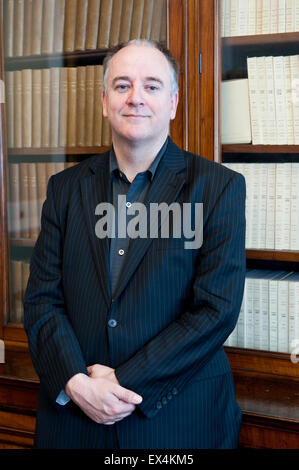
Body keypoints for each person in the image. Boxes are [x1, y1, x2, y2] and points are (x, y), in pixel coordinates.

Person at [24, 39, 246, 449]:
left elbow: (215, 310)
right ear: (105, 101)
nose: (136, 98)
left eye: (152, 86)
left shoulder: (218, 188)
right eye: (122, 85)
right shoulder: (64, 189)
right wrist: (75, 382)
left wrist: (123, 381)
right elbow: (41, 301)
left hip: (178, 422)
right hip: (75, 420)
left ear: (174, 103)